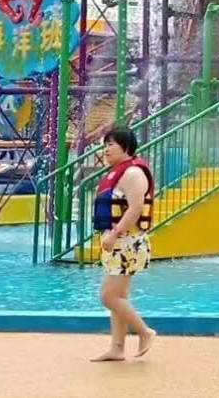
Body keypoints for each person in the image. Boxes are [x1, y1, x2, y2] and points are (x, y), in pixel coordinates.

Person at [91, 127, 158, 362]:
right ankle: (117, 348)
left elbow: (136, 208)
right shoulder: (120, 172)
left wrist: (115, 233)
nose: (106, 149)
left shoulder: (133, 173)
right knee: (118, 296)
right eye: (105, 144)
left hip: (128, 242)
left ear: (126, 147)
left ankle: (144, 332)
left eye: (111, 144)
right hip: (119, 242)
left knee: (108, 297)